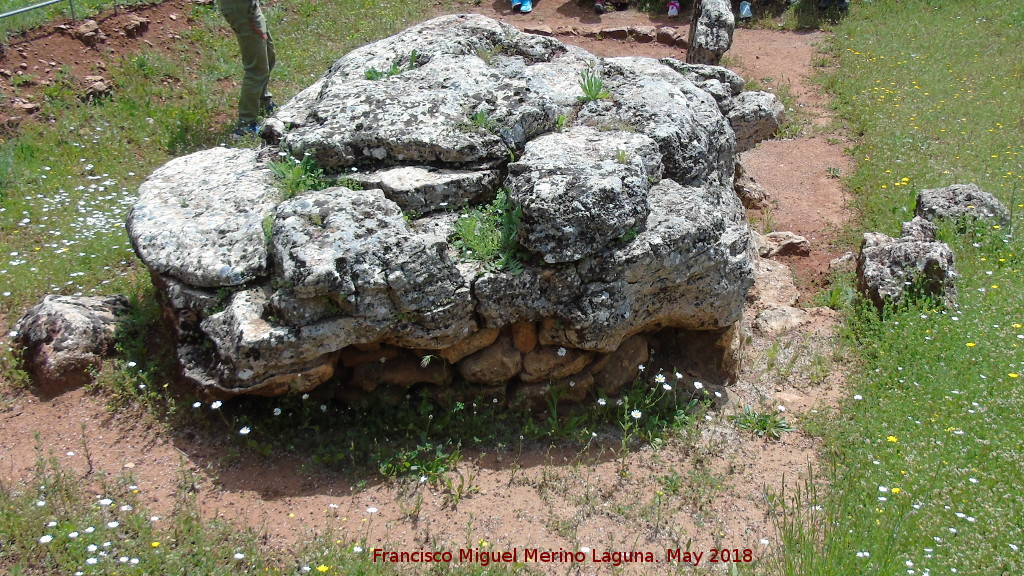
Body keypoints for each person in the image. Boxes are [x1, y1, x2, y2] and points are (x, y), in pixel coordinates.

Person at [219, 0, 276, 137]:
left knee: (269, 56)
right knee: (256, 69)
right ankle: (246, 125)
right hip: (242, 8)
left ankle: (263, 102)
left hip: (250, 7)